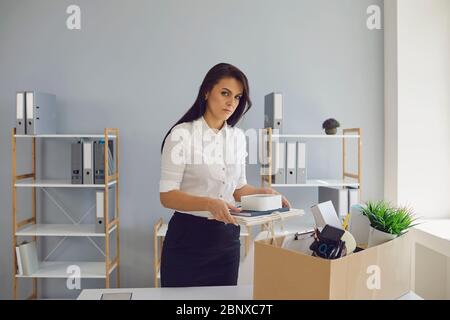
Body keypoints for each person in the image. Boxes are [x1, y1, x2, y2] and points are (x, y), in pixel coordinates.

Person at [159, 63, 291, 287]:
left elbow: (238, 189)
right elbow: (167, 196)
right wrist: (209, 203)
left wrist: (265, 194)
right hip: (187, 240)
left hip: (226, 242)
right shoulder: (181, 134)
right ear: (207, 91)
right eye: (225, 93)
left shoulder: (237, 137)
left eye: (238, 97)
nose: (232, 102)